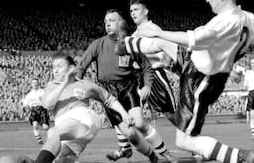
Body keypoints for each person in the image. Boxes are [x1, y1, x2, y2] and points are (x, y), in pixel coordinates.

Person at [115, 0, 254, 163]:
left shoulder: (226, 22)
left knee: (184, 141)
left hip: (201, 78)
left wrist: (161, 33)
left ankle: (243, 157)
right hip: (201, 68)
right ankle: (128, 44)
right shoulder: (249, 18)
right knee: (159, 44)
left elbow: (193, 39)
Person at [76, 9, 173, 162]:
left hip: (128, 88)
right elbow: (81, 66)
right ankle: (151, 155)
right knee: (131, 134)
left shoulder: (129, 44)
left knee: (140, 123)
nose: (107, 24)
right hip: (108, 93)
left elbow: (147, 67)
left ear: (121, 23)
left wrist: (147, 85)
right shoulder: (98, 44)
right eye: (106, 21)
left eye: (112, 20)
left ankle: (166, 154)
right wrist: (76, 85)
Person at [28, 51, 160, 163]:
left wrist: (125, 115)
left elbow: (108, 99)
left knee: (53, 133)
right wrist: (65, 83)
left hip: (82, 118)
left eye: (59, 66)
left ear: (71, 68)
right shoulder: (51, 86)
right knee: (62, 159)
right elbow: (47, 104)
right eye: (53, 67)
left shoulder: (85, 84)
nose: (55, 70)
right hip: (67, 129)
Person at [129, 0, 178, 122]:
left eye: (136, 9)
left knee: (172, 115)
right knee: (133, 116)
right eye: (131, 11)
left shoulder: (154, 29)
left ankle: (189, 137)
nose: (133, 13)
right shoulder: (134, 35)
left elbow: (167, 54)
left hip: (155, 76)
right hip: (138, 77)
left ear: (145, 11)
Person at [22, 79, 50, 144]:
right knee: (35, 125)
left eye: (36, 82)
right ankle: (39, 139)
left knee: (45, 127)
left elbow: (47, 100)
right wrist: (26, 109)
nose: (35, 84)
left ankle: (51, 137)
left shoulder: (42, 92)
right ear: (31, 84)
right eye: (33, 83)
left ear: (38, 83)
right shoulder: (29, 94)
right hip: (34, 109)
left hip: (42, 109)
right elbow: (26, 104)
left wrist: (43, 100)